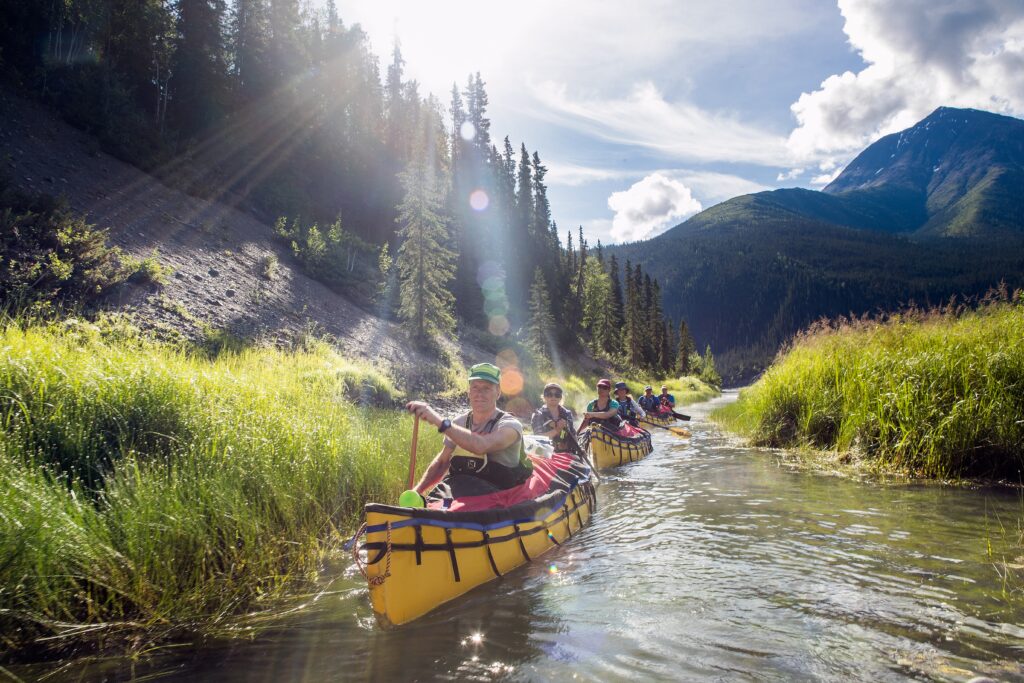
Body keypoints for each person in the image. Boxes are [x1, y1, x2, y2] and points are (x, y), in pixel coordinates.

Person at [406, 363, 532, 499]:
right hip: (459, 491)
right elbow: (442, 462)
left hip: (498, 497)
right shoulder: (458, 422)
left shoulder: (510, 425)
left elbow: (481, 446)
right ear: (469, 392)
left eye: (487, 388)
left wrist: (439, 421)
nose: (479, 393)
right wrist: (416, 492)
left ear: (498, 393)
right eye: (475, 387)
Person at [531, 382, 579, 454]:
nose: (553, 397)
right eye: (549, 394)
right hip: (546, 455)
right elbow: (538, 439)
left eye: (557, 395)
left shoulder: (567, 413)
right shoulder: (538, 415)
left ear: (560, 397)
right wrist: (557, 430)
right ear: (544, 397)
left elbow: (573, 434)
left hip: (567, 453)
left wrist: (579, 449)